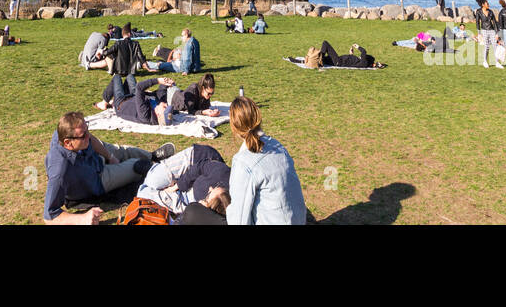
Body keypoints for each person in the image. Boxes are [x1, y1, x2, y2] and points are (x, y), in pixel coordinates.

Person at [42, 111, 173, 224]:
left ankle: (152, 156)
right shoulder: (59, 171)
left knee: (122, 151)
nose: (88, 136)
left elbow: (91, 139)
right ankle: (167, 173)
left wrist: (109, 156)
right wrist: (82, 219)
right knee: (136, 166)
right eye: (83, 136)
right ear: (68, 143)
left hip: (93, 157)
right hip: (98, 178)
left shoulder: (68, 134)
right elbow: (49, 216)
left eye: (87, 130)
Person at [227, 96, 306, 225]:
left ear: (234, 127)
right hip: (297, 219)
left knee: (196, 213)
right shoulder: (278, 146)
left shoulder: (243, 162)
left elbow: (238, 218)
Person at [137, 143, 231, 215]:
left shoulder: (215, 213)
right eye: (216, 187)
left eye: (209, 194)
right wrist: (177, 186)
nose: (210, 188)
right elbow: (199, 167)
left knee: (143, 194)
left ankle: (151, 171)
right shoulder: (222, 173)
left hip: (190, 198)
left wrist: (201, 211)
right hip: (195, 161)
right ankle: (151, 168)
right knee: (153, 180)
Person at [473, 0, 500, 69]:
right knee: (487, 47)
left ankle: (497, 62)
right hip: (484, 30)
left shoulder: (490, 11)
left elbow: (494, 22)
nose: (488, 4)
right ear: (482, 4)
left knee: (495, 46)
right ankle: (485, 61)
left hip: (492, 30)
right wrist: (479, 33)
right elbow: (477, 22)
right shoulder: (478, 11)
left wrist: (497, 32)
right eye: (487, 3)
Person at [317, 41, 384, 68]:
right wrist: (351, 54)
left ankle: (320, 60)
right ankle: (319, 60)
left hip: (338, 61)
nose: (360, 56)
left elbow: (364, 52)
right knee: (322, 57)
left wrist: (358, 47)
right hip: (337, 61)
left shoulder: (364, 62)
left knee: (325, 43)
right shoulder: (360, 62)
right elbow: (351, 62)